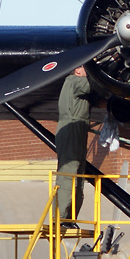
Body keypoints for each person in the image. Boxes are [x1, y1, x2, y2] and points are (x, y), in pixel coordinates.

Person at [55, 66, 93, 225]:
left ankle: (69, 216)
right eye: (86, 67)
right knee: (69, 170)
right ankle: (61, 216)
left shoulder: (78, 86)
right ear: (77, 70)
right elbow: (94, 85)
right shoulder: (75, 81)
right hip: (72, 127)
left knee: (78, 172)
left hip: (78, 127)